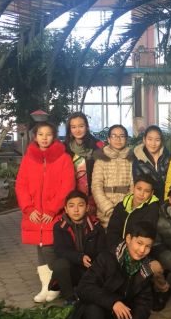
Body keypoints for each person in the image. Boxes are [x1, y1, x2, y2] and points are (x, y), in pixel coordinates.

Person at [15, 122, 75, 303]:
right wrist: (28, 208)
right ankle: (45, 285)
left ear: (54, 136)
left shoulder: (63, 158)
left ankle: (55, 285)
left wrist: (52, 208)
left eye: (48, 134)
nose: (44, 138)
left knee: (50, 249)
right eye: (40, 134)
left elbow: (67, 186)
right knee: (40, 248)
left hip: (53, 214)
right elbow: (21, 185)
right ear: (35, 136)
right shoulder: (29, 158)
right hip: (34, 214)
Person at [52, 190, 106, 304]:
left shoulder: (96, 226)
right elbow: (60, 250)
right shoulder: (59, 227)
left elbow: (102, 251)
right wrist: (79, 257)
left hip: (90, 269)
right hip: (72, 270)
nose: (76, 210)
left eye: (80, 205)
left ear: (87, 208)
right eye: (71, 206)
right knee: (59, 264)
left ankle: (87, 291)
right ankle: (69, 298)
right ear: (66, 209)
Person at [91, 124, 133, 228]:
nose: (118, 139)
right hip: (105, 212)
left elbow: (134, 186)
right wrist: (108, 209)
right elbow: (96, 187)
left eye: (122, 136)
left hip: (125, 211)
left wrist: (127, 207)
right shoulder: (101, 159)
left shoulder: (131, 159)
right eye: (114, 136)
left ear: (126, 139)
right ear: (109, 139)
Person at [106, 174, 160, 252]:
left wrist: (126, 253)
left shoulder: (153, 209)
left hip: (139, 251)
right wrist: (118, 250)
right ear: (133, 188)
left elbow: (144, 236)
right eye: (139, 189)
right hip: (116, 249)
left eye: (146, 191)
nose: (141, 194)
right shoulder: (121, 206)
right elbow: (112, 231)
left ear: (152, 193)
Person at [64, 112, 104, 214]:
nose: (77, 130)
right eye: (73, 127)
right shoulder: (64, 148)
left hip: (93, 196)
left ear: (87, 127)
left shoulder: (97, 146)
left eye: (81, 126)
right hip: (71, 196)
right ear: (69, 129)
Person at [132, 125, 171, 201]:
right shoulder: (138, 160)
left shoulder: (169, 158)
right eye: (150, 139)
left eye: (157, 140)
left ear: (161, 141)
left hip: (168, 201)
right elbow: (138, 185)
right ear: (144, 140)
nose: (153, 143)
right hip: (147, 202)